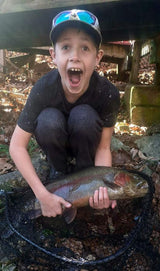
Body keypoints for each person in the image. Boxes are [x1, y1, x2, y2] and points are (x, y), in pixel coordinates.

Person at [9, 9, 120, 219]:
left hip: (86, 147)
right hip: (55, 141)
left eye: (85, 48)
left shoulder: (108, 93)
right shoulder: (43, 88)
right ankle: (57, 171)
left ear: (98, 58)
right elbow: (16, 146)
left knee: (84, 116)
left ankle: (83, 174)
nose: (75, 57)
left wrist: (102, 186)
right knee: (48, 119)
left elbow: (104, 147)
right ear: (53, 55)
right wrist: (41, 194)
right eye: (66, 47)